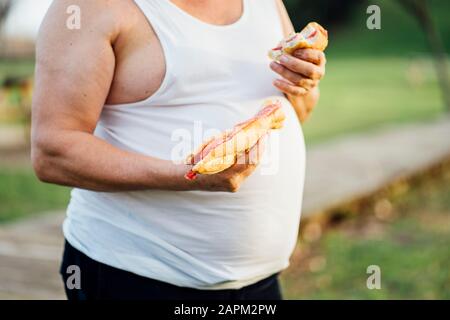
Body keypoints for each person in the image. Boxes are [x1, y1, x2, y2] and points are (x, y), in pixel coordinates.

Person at [32, 0, 326, 300]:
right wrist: (187, 175)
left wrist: (304, 83)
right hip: (137, 277)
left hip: (259, 282)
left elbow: (296, 112)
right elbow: (53, 153)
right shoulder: (88, 8)